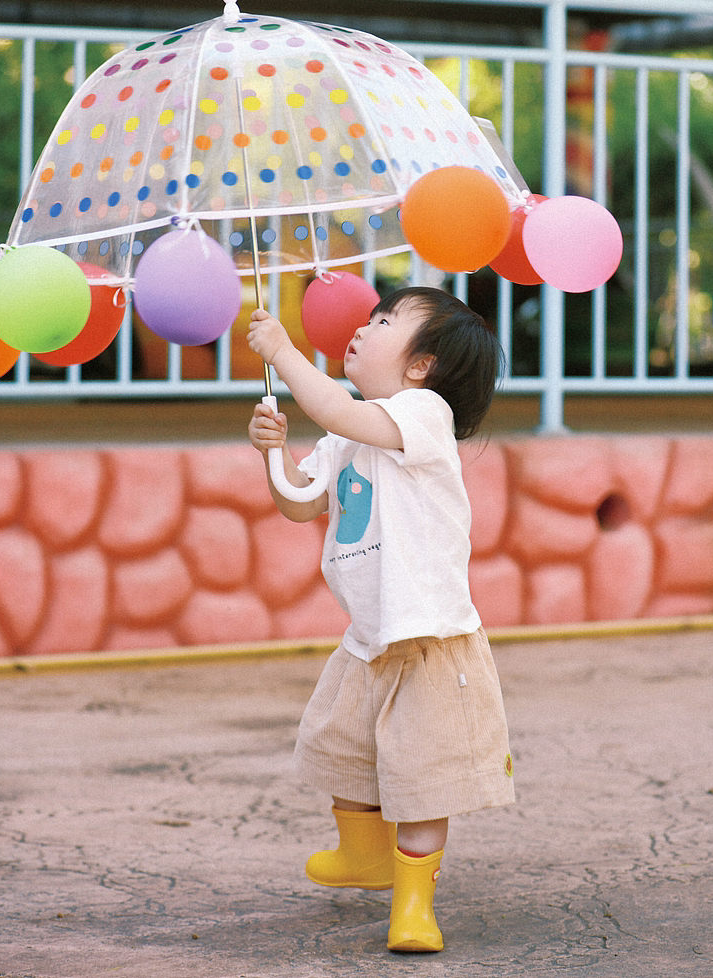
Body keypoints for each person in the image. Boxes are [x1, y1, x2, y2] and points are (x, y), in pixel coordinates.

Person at [247, 285, 515, 953]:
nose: (365, 328)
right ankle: (362, 855)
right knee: (347, 753)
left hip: (430, 640)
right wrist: (272, 455)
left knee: (422, 780)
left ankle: (414, 904)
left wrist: (283, 352)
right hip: (368, 640)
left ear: (421, 366)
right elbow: (301, 504)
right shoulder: (349, 429)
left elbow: (333, 405)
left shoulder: (422, 413)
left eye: (386, 321)